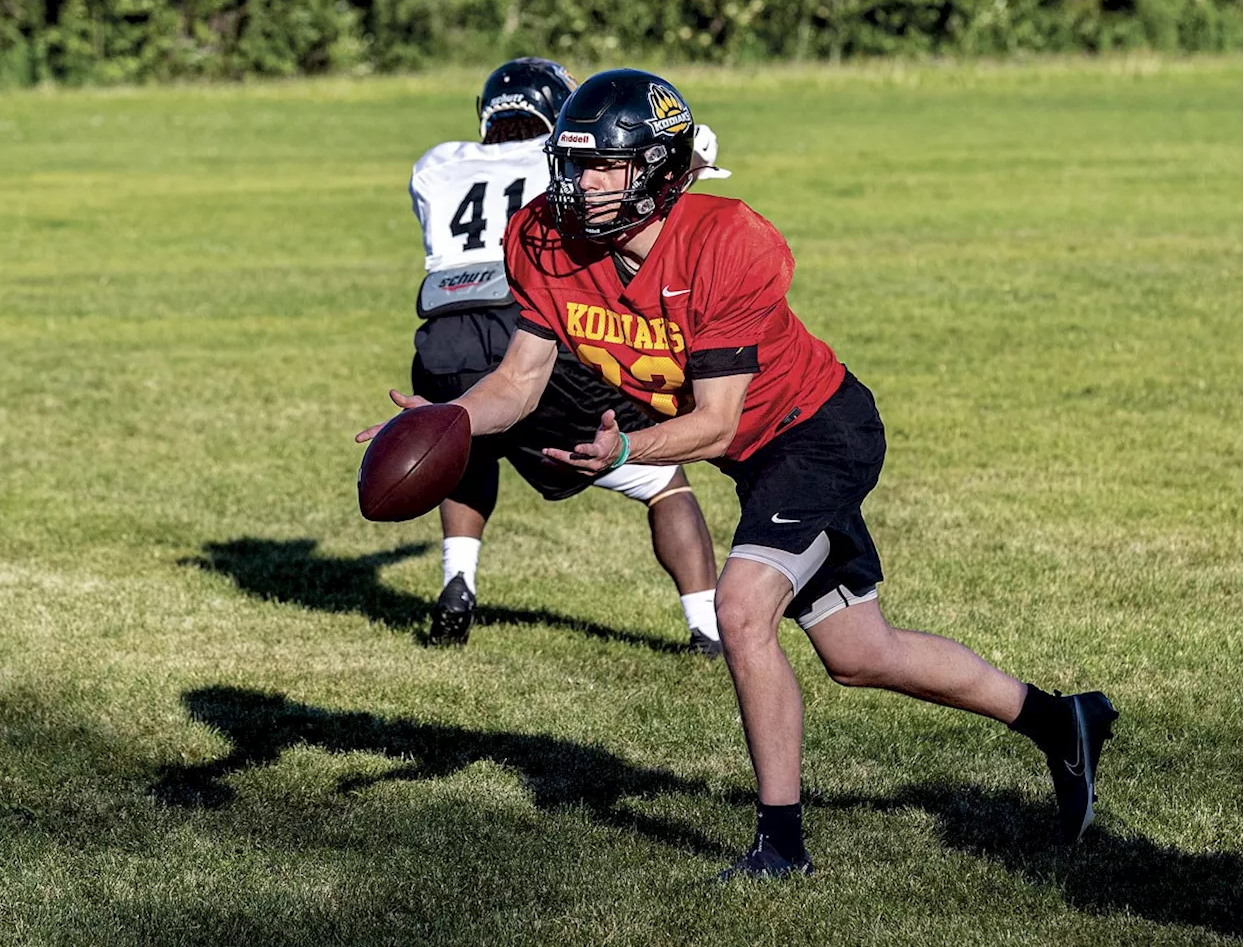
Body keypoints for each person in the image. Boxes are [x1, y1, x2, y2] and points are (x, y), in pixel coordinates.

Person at [368, 68, 1121, 878]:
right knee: (859, 652)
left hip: (818, 433)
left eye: (604, 167)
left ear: (657, 170)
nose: (581, 184)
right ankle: (1059, 720)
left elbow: (716, 421)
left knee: (741, 605)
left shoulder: (727, 241)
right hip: (756, 457)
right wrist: (441, 421)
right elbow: (516, 383)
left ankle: (780, 845)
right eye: (575, 163)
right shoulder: (546, 242)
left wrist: (623, 453)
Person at [383, 58, 728, 653]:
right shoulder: (578, 157)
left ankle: (457, 583)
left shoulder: (436, 164)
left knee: (466, 446)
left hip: (443, 337)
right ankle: (706, 628)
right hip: (534, 321)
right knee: (664, 481)